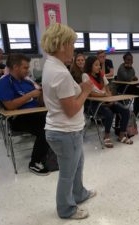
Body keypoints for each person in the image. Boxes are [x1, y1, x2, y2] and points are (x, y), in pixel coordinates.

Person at [41, 23, 96, 220]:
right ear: (62, 44)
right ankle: (66, 209)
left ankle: (79, 193)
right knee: (67, 173)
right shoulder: (61, 73)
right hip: (65, 132)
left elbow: (65, 97)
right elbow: (72, 110)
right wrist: (86, 91)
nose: (74, 48)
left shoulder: (51, 64)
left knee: (77, 164)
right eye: (72, 44)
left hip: (66, 130)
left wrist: (80, 88)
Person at [0, 53, 50, 175]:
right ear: (15, 67)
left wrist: (42, 93)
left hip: (35, 114)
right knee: (46, 126)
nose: (28, 70)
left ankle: (53, 155)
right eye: (25, 67)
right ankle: (34, 162)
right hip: (18, 119)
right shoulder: (4, 82)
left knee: (55, 119)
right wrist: (30, 95)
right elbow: (9, 106)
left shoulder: (27, 82)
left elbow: (39, 102)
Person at [82, 56, 133, 148]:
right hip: (94, 104)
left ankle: (121, 135)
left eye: (99, 65)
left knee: (125, 111)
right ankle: (106, 136)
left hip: (106, 101)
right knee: (108, 113)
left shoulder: (101, 74)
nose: (99, 67)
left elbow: (108, 89)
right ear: (90, 66)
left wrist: (109, 97)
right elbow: (90, 93)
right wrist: (104, 95)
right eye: (96, 65)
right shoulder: (85, 76)